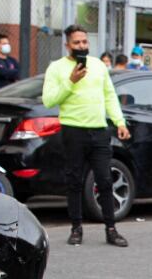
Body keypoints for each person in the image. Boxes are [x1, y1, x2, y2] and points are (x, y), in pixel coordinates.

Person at [42, 25, 131, 247]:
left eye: (84, 42)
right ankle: (76, 228)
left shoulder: (99, 66)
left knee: (105, 179)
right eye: (77, 43)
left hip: (99, 131)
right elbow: (49, 100)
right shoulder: (57, 68)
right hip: (73, 131)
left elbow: (110, 96)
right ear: (67, 45)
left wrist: (119, 122)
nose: (81, 46)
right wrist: (70, 81)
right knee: (74, 181)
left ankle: (111, 229)